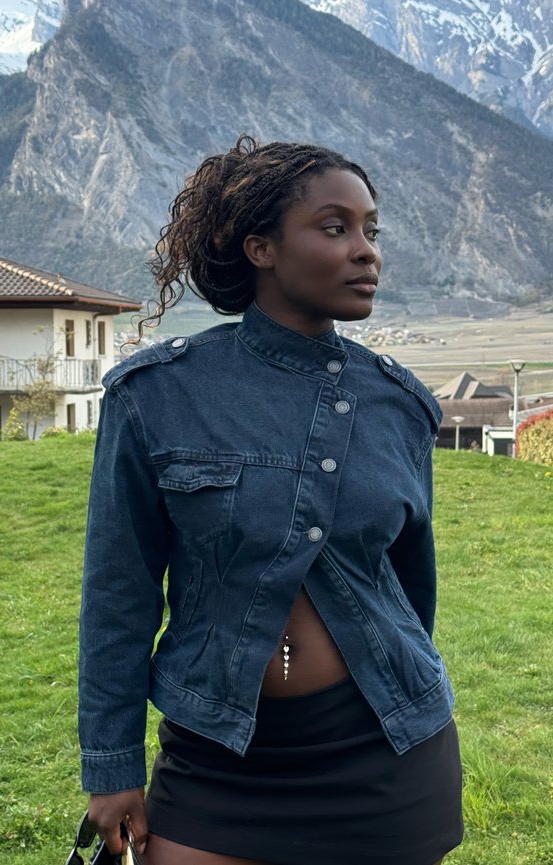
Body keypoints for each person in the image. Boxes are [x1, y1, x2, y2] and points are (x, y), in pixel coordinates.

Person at [79, 135, 464, 865]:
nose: (366, 251)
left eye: (371, 230)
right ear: (260, 248)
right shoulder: (156, 396)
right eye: (335, 227)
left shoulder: (402, 405)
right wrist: (111, 764)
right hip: (216, 757)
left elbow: (412, 593)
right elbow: (118, 595)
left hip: (385, 754)